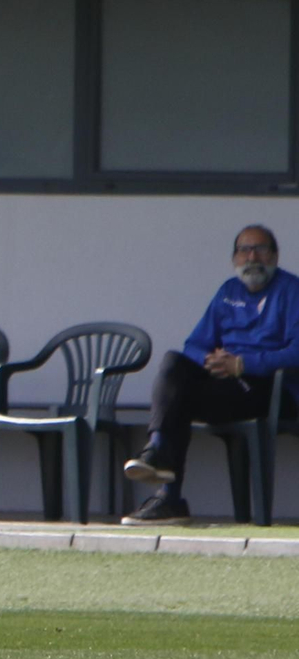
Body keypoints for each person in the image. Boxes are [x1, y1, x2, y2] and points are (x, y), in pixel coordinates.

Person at [121, 224, 299, 525]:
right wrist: (209, 360)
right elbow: (194, 344)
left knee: (179, 400)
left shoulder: (291, 290)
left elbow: (296, 352)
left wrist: (243, 364)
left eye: (260, 249)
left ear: (275, 256)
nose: (252, 256)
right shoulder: (227, 292)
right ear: (234, 259)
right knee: (174, 362)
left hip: (270, 388)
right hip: (225, 383)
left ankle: (168, 495)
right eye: (244, 250)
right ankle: (158, 448)